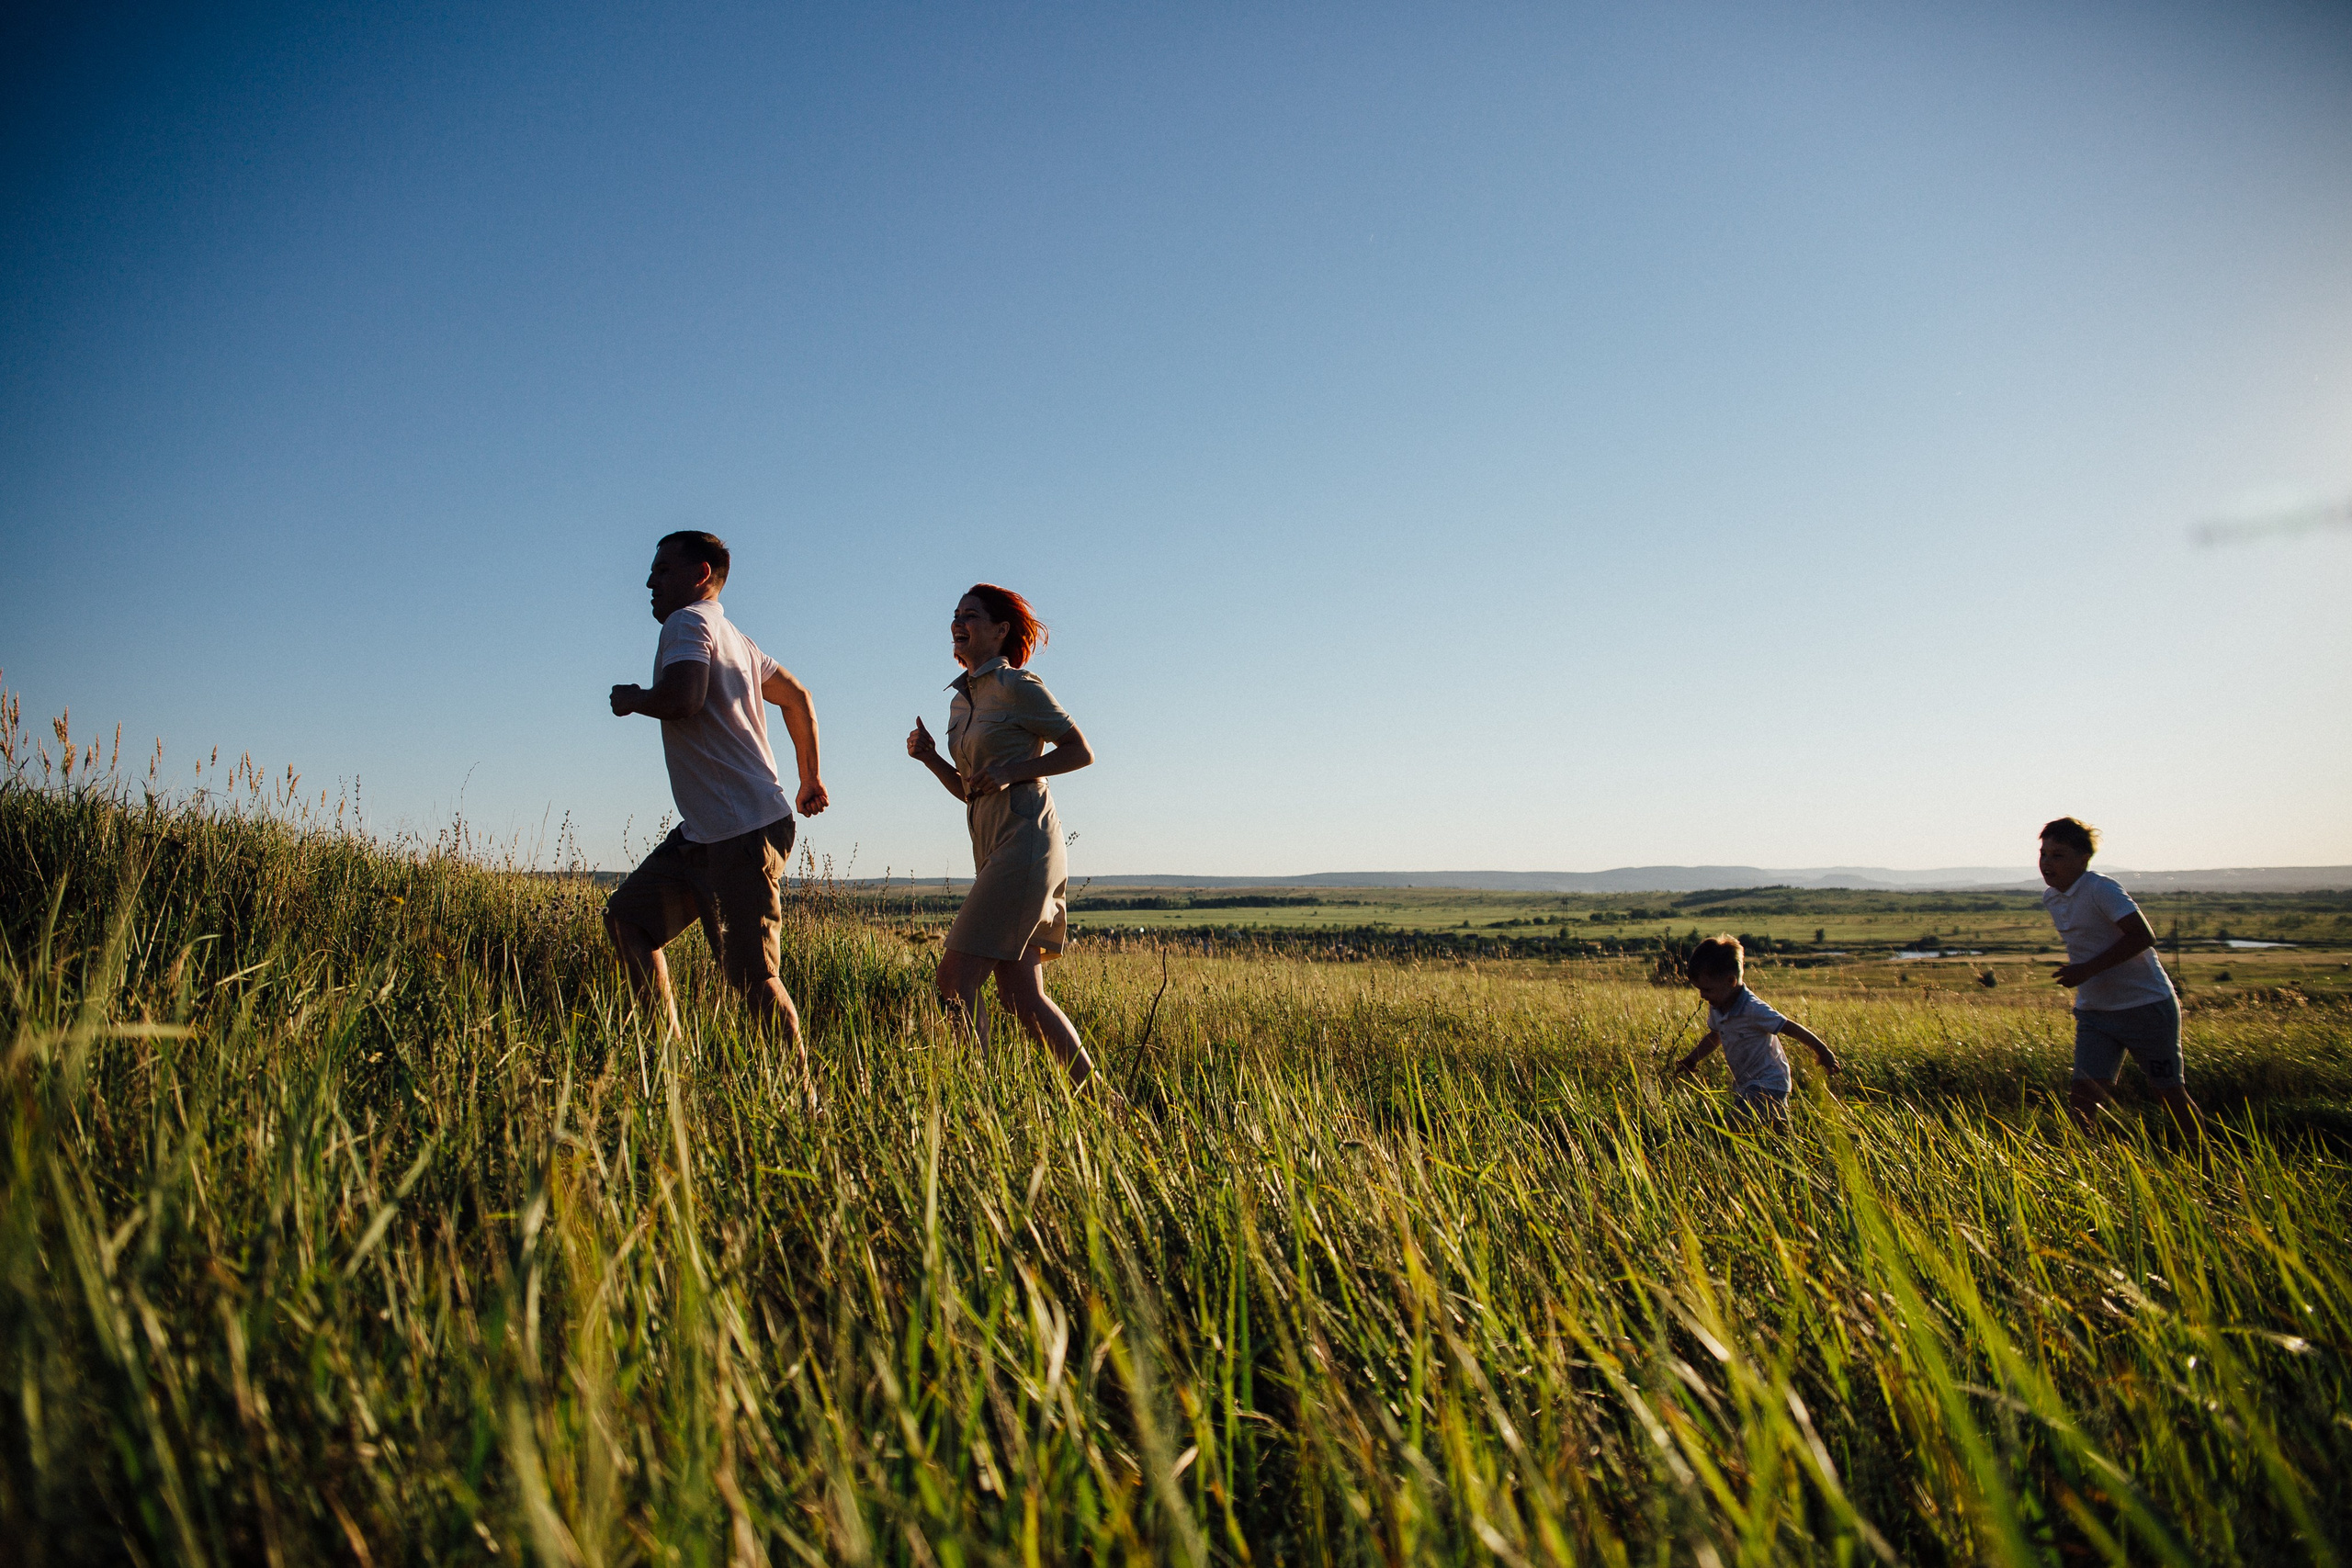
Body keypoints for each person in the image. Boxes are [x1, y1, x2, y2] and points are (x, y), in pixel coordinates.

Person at [603, 531, 829, 1103]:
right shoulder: (736, 639)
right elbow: (798, 696)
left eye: (662, 570)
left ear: (701, 574)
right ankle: (671, 1062)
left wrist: (634, 698)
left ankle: (804, 1103)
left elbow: (684, 698)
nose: (649, 582)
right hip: (709, 833)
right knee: (630, 919)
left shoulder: (687, 623)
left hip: (741, 830)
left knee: (753, 976)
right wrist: (809, 778)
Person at [904, 583, 1097, 1085]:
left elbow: (1080, 751)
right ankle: (1105, 1104)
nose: (957, 622)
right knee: (1020, 995)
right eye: (955, 615)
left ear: (1000, 629)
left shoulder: (1018, 686)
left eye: (970, 615)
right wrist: (930, 758)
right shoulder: (960, 702)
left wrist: (1014, 770)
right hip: (992, 846)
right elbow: (971, 791)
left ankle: (978, 1102)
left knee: (954, 978)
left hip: (1026, 842)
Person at [2038, 817, 2199, 1136]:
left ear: (2083, 858)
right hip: (2095, 1013)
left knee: (2168, 1093)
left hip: (2145, 1008)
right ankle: (2083, 1164)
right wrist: (2084, 974)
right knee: (2082, 1100)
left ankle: (2205, 1161)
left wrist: (2085, 970)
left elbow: (2143, 936)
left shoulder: (2101, 888)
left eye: (2058, 855)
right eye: (2043, 854)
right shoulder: (2052, 897)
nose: (2046, 863)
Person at [1671, 935, 1841, 1120]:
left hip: (1768, 1082)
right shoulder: (1717, 1007)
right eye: (1699, 989)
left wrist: (1822, 1051)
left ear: (1730, 981)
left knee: (1737, 1124)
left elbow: (1789, 1027)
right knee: (1771, 1129)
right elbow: (1715, 1036)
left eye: (1707, 989)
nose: (1702, 995)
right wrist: (1692, 1058)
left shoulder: (1753, 1008)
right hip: (1746, 1084)